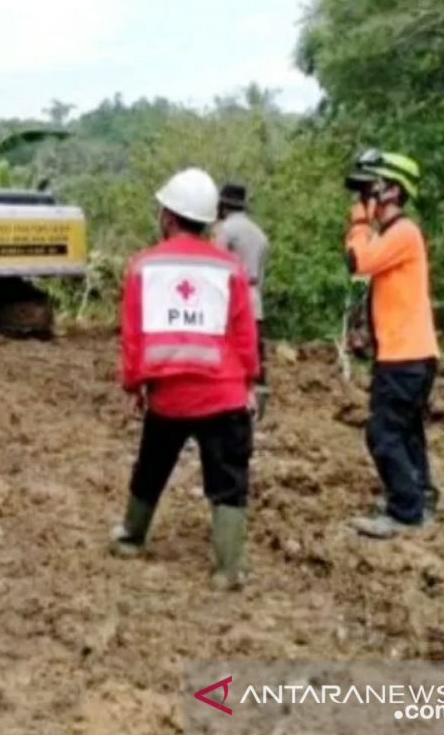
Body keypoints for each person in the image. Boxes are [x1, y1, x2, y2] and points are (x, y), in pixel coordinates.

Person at [110, 168, 260, 590]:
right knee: (229, 480)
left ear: (168, 216)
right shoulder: (229, 268)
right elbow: (245, 335)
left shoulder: (142, 266)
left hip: (167, 398)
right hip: (225, 394)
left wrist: (134, 385)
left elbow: (134, 335)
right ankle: (227, 570)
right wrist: (249, 381)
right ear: (209, 219)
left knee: (151, 469)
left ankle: (131, 539)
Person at [344, 150, 439, 538]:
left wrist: (358, 225)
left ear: (392, 191)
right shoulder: (397, 235)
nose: (363, 196)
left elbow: (357, 262)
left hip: (405, 356)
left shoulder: (403, 232)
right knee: (405, 431)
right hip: (408, 353)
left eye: (369, 188)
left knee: (382, 432)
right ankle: (418, 498)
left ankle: (405, 511)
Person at [213, 183, 270, 418]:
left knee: (225, 350)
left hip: (229, 296)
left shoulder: (225, 230)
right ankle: (256, 403)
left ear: (223, 206)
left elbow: (215, 266)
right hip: (254, 296)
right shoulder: (260, 234)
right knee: (254, 352)